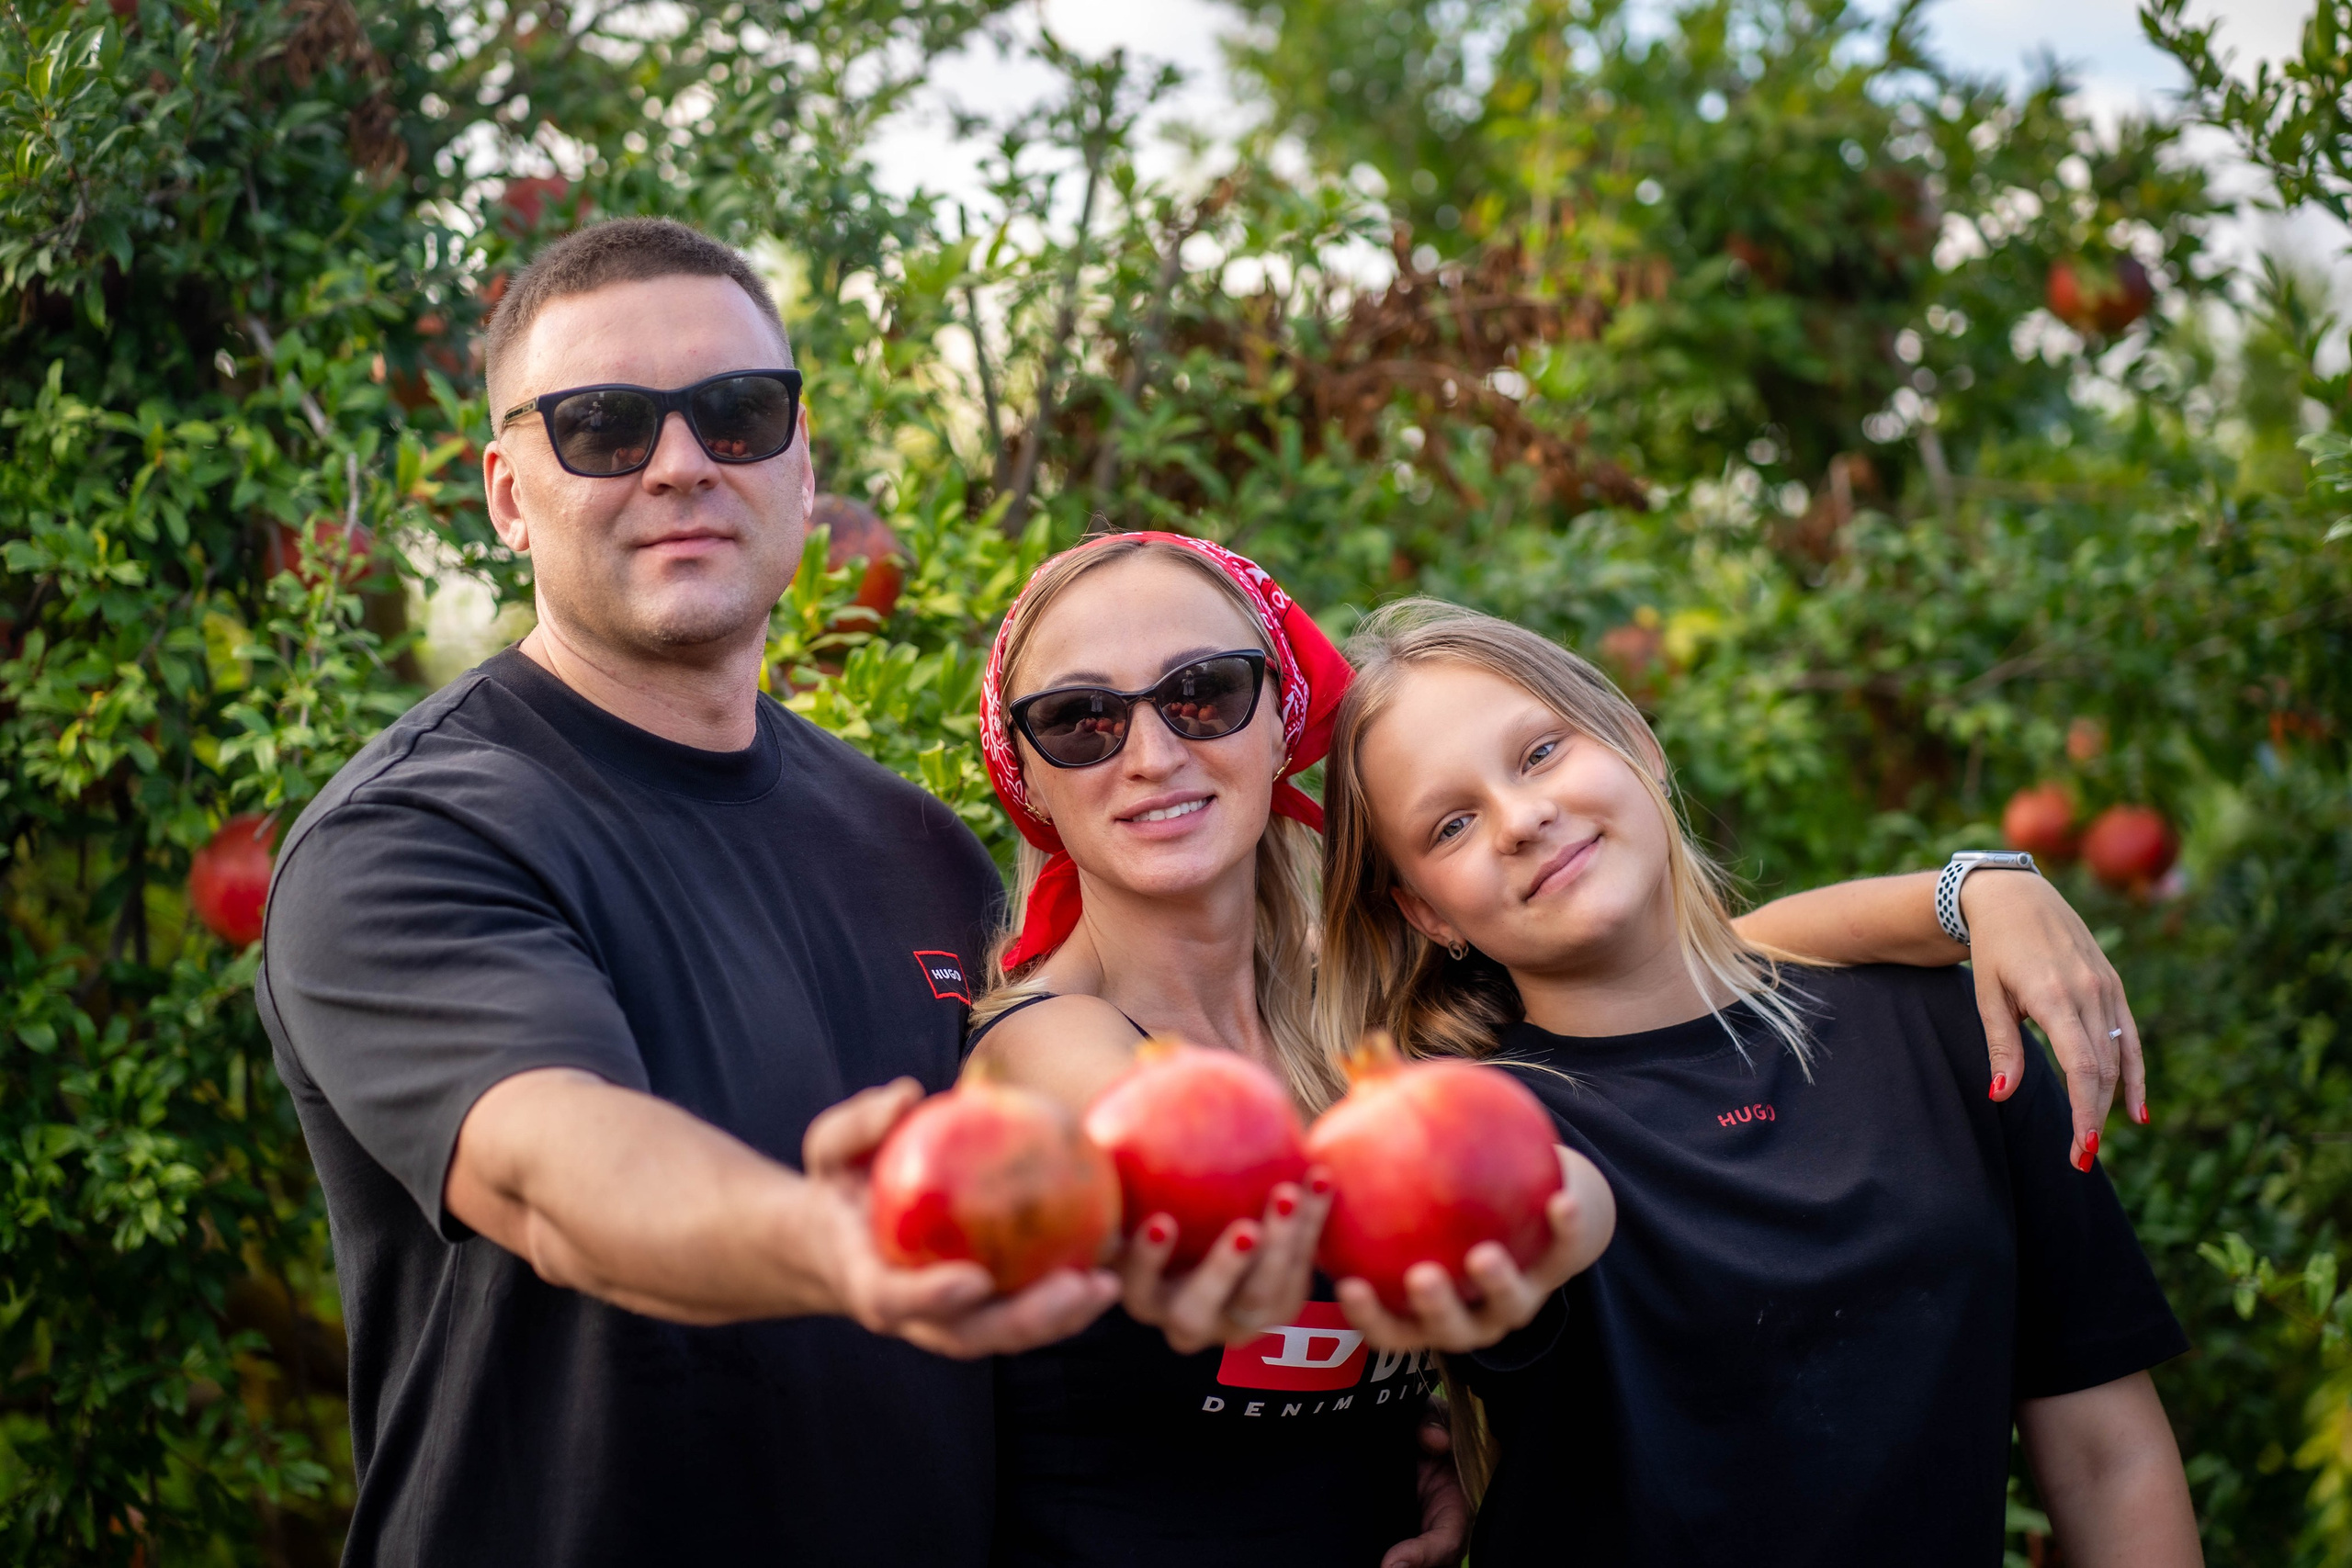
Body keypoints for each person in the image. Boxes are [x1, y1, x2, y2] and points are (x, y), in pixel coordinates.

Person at [966, 535, 2161, 1566]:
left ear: (1276, 715)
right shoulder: (1060, 1037)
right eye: (1078, 718)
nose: (1151, 749)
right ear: (1026, 775)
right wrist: (1550, 1211)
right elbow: (1416, 1185)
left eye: (1204, 691)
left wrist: (1965, 893)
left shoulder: (1352, 1047)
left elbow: (1695, 977)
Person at [254, 218, 1117, 1568]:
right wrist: (832, 1240)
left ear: (802, 457)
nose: (680, 464)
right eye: (602, 425)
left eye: (737, 411)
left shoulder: (924, 848)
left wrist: (1367, 1425)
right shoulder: (410, 834)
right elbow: (557, 1173)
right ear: (505, 492)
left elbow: (1064, 1205)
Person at [1317, 598, 2199, 1566]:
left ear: (1637, 746)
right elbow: (1547, 1211)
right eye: (1450, 824)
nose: (1521, 819)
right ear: (1426, 915)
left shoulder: (1951, 1030)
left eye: (1538, 755)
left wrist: (1980, 884)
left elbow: (2109, 1462)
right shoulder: (1476, 1127)